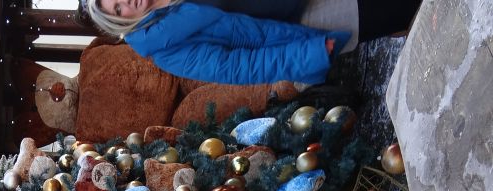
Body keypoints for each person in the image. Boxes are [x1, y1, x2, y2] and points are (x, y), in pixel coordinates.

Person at [82, 0, 421, 86]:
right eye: (118, 9)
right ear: (120, 21)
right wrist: (311, 54)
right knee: (407, 9)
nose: (127, 2)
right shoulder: (164, 48)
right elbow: (240, 68)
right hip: (304, 18)